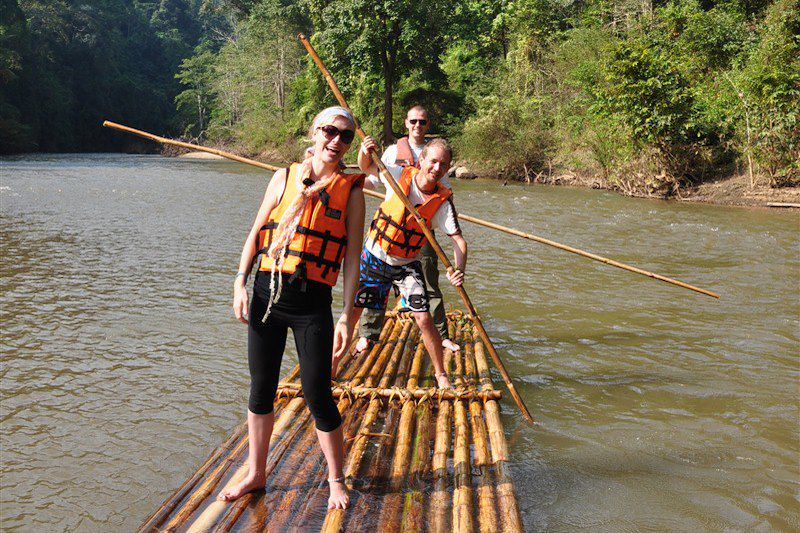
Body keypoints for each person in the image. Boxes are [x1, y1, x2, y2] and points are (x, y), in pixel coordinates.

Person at [219, 107, 365, 510]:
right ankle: (257, 472)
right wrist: (239, 283)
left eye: (345, 136)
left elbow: (352, 259)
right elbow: (255, 232)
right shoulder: (282, 177)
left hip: (311, 302)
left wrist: (346, 316)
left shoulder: (351, 191)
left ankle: (336, 478)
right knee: (261, 387)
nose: (336, 141)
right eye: (330, 132)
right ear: (314, 132)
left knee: (317, 391)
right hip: (267, 293)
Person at [347, 135, 467, 390]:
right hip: (376, 257)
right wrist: (364, 151)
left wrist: (458, 270)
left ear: (447, 169)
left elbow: (458, 241)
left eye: (443, 165)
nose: (436, 168)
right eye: (433, 161)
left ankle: (440, 375)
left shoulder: (443, 204)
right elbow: (365, 167)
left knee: (424, 319)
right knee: (355, 311)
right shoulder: (397, 175)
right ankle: (333, 365)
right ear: (422, 159)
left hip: (406, 264)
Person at [354, 106, 460, 355]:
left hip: (422, 228)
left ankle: (441, 334)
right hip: (391, 229)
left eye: (422, 122)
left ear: (427, 124)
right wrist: (364, 152)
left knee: (429, 281)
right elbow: (370, 171)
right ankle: (368, 335)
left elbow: (444, 193)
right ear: (406, 123)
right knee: (375, 286)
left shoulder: (438, 154)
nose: (417, 126)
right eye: (413, 121)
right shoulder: (393, 152)